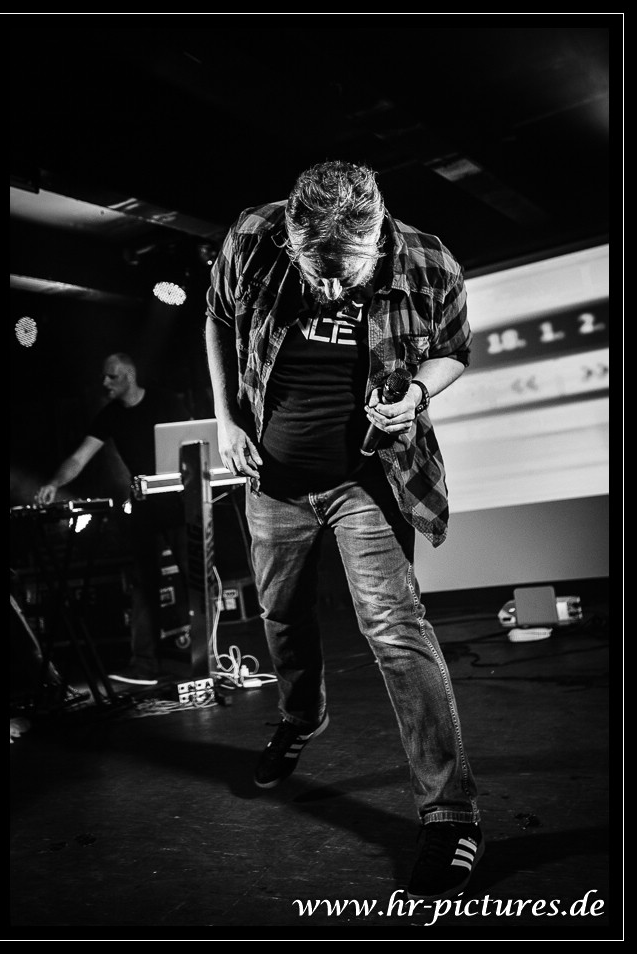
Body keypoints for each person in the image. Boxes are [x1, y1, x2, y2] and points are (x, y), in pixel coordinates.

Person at [204, 159, 483, 903]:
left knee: (394, 627)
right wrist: (225, 417)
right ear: (291, 238)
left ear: (377, 233)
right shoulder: (253, 235)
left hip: (367, 479)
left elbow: (454, 350)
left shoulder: (428, 261)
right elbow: (218, 317)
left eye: (345, 273)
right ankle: (301, 716)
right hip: (274, 479)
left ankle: (450, 814)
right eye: (314, 272)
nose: (329, 291)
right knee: (280, 614)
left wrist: (417, 390)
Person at [35, 352, 192, 686]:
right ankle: (145, 666)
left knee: (196, 579)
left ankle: (209, 656)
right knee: (143, 585)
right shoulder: (110, 415)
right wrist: (53, 483)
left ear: (129, 375)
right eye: (104, 377)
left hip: (180, 506)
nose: (105, 383)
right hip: (144, 509)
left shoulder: (165, 401)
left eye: (112, 376)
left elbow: (194, 442)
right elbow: (79, 458)